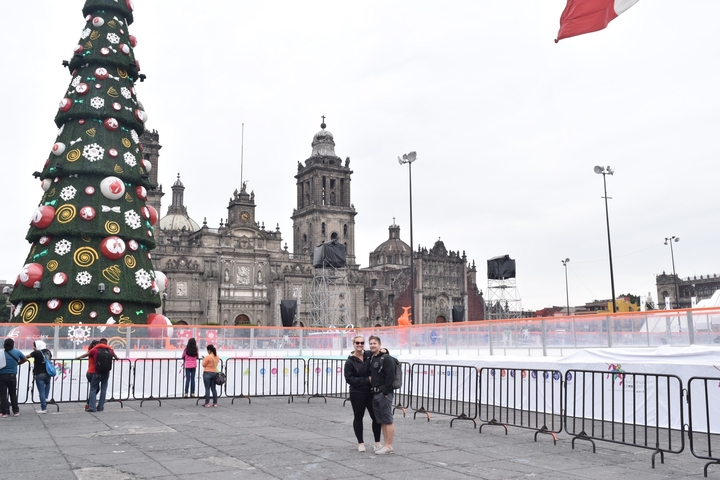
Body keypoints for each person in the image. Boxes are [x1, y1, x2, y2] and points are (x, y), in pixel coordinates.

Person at [344, 335, 382, 452]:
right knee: (358, 417)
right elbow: (349, 379)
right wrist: (367, 380)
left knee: (376, 417)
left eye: (362, 343)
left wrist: (384, 350)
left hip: (370, 392)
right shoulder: (350, 361)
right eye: (357, 343)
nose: (360, 345)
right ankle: (360, 443)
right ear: (354, 344)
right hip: (357, 392)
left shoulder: (369, 355)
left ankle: (377, 442)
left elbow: (380, 353)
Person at [369, 335, 395, 454]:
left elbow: (390, 376)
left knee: (387, 420)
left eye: (375, 343)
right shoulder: (372, 357)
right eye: (371, 343)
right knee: (382, 420)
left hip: (384, 393)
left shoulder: (386, 358)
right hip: (375, 393)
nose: (372, 345)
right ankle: (385, 445)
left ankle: (389, 446)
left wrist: (386, 391)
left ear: (380, 345)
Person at [86, 338, 119, 412]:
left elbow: (87, 354)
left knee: (93, 389)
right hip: (106, 372)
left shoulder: (95, 350)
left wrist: (78, 357)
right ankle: (101, 407)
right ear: (106, 343)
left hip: (96, 372)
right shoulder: (110, 350)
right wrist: (117, 358)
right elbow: (116, 357)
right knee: (103, 389)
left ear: (100, 343)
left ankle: (92, 407)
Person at [1, 338, 27, 418]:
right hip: (12, 376)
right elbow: (25, 359)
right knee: (13, 393)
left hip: (1, 376)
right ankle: (16, 411)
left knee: (2, 394)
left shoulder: (1, 353)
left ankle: (5, 412)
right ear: (13, 345)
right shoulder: (17, 352)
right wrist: (18, 363)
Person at [27, 340, 53, 414]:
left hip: (39, 373)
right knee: (47, 384)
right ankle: (46, 398)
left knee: (41, 391)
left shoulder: (37, 352)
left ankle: (43, 408)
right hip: (48, 372)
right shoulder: (48, 351)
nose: (33, 348)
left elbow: (27, 356)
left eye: (34, 346)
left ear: (38, 346)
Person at [76, 340, 100, 410]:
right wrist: (79, 357)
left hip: (90, 373)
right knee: (95, 389)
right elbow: (85, 355)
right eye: (97, 345)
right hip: (93, 372)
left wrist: (79, 357)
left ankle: (89, 404)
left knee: (95, 389)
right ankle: (90, 404)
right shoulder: (94, 351)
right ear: (93, 345)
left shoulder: (93, 351)